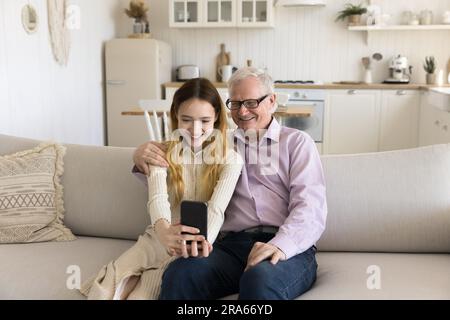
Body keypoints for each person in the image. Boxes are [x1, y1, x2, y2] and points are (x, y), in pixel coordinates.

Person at [133, 67, 328, 300]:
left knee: (259, 280)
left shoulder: (296, 143)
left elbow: (310, 209)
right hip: (230, 247)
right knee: (181, 272)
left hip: (284, 247)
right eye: (235, 104)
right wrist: (141, 154)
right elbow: (177, 175)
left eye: (251, 102)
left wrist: (279, 246)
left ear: (272, 101)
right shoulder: (215, 143)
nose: (242, 111)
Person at [79, 78, 243, 299]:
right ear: (175, 116)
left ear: (216, 119)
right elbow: (157, 198)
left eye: (204, 120)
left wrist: (203, 242)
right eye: (186, 120)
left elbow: (216, 209)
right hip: (157, 237)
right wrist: (164, 231)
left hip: (193, 246)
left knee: (144, 293)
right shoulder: (160, 152)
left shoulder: (230, 159)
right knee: (109, 283)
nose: (195, 130)